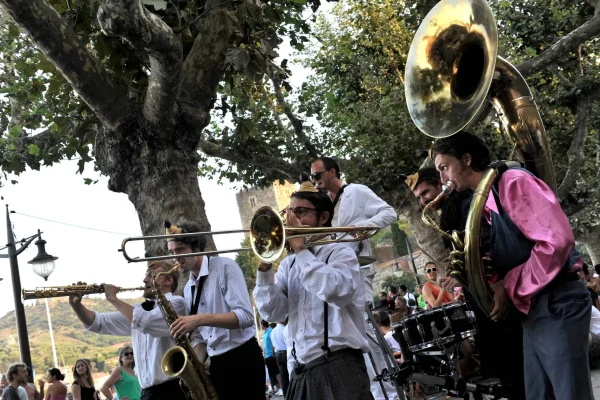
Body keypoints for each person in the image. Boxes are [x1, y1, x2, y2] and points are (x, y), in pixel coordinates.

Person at [432, 130, 594, 400]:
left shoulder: (513, 182)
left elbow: (556, 243)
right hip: (535, 308)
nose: (442, 179)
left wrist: (507, 284)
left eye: (444, 168)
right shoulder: (486, 199)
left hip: (557, 302)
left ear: (467, 159)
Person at [408, 165, 526, 399]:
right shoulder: (452, 210)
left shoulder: (466, 205)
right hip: (482, 297)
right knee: (511, 375)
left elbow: (487, 246)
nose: (423, 201)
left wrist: (463, 271)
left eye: (425, 193)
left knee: (516, 369)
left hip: (497, 294)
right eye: (419, 197)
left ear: (441, 185)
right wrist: (457, 270)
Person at [253, 179, 370, 400]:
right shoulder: (289, 264)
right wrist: (264, 265)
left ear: (323, 217)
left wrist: (300, 250)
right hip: (299, 371)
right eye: (289, 211)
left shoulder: (340, 253)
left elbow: (337, 291)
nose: (290, 218)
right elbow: (273, 313)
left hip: (339, 366)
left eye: (301, 211)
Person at [311, 157, 397, 400]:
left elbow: (389, 213)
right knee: (349, 334)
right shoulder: (323, 204)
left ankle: (388, 393)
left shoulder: (356, 191)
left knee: (367, 329)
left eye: (317, 175)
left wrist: (361, 228)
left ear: (333, 172)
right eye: (312, 177)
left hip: (358, 270)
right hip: (334, 273)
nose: (314, 181)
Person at [165, 220, 265, 400]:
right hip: (217, 364)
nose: (175, 258)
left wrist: (199, 319)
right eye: (172, 252)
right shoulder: (188, 288)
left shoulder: (225, 267)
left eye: (180, 250)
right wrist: (193, 369)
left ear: (196, 247)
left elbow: (245, 316)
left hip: (243, 358)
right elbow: (200, 338)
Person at [68, 261, 187, 400]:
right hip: (147, 393)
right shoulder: (138, 311)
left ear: (168, 281)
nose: (145, 279)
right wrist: (76, 305)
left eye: (151, 275)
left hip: (172, 390)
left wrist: (113, 298)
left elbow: (146, 322)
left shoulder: (177, 303)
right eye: (146, 275)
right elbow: (99, 322)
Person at [261, 320, 281, 395]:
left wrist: (273, 353)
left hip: (271, 355)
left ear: (262, 324)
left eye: (261, 324)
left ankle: (281, 388)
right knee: (271, 373)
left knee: (276, 372)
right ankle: (277, 388)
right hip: (267, 356)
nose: (260, 326)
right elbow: (266, 345)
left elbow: (273, 342)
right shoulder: (265, 333)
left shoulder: (270, 331)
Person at [270, 320, 290, 396]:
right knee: (290, 374)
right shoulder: (285, 329)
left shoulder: (273, 331)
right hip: (286, 352)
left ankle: (286, 395)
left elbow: (273, 344)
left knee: (283, 377)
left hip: (278, 353)